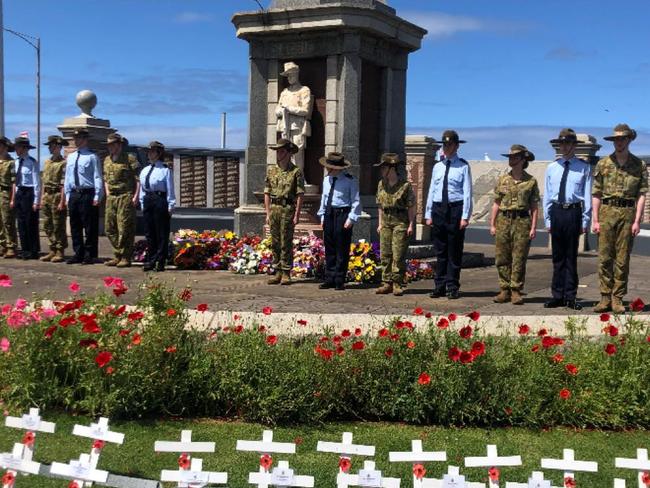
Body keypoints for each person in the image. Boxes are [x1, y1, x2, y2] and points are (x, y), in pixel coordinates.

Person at [592, 124, 648, 313]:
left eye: (623, 138)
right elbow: (596, 194)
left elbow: (641, 194)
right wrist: (595, 220)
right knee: (605, 258)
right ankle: (605, 297)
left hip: (627, 213)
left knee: (622, 259)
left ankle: (617, 298)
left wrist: (637, 220)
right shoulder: (604, 163)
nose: (619, 142)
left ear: (629, 140)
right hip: (607, 212)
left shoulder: (638, 165)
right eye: (616, 139)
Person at [543, 128, 592, 311]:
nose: (565, 147)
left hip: (573, 213)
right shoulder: (552, 168)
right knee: (557, 257)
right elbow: (547, 195)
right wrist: (547, 219)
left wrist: (585, 221)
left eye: (568, 143)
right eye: (562, 143)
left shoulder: (583, 167)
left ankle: (570, 296)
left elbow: (586, 195)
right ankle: (557, 295)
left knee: (571, 257)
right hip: (557, 212)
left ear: (574, 145)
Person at [425, 130, 473, 299]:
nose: (446, 147)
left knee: (454, 250)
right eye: (444, 144)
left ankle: (452, 286)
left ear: (457, 146)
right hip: (438, 209)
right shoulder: (438, 166)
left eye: (449, 144)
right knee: (440, 250)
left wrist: (465, 216)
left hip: (455, 209)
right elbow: (432, 190)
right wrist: (428, 213)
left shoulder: (463, 166)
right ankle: (439, 285)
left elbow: (467, 192)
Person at [489, 145, 540, 305]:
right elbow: (496, 203)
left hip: (522, 221)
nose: (511, 160)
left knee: (519, 257)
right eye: (510, 157)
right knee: (502, 256)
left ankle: (516, 290)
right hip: (504, 220)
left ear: (523, 159)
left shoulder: (531, 181)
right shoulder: (503, 179)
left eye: (515, 157)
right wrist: (492, 224)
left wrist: (533, 227)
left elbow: (534, 207)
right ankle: (504, 289)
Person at [316, 152, 361, 291]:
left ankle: (339, 279)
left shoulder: (349, 180)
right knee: (329, 246)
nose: (327, 169)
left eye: (329, 167)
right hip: (329, 213)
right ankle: (329, 277)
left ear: (337, 168)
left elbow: (356, 201)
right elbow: (324, 198)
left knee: (341, 247)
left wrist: (351, 218)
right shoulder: (326, 180)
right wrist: (322, 216)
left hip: (342, 214)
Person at [264, 138, 305, 285]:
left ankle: (286, 272)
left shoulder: (295, 172)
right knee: (275, 241)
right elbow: (267, 193)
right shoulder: (272, 170)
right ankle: (277, 271)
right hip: (274, 209)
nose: (278, 154)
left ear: (288, 153)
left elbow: (300, 194)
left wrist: (297, 215)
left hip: (287, 209)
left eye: (281, 151)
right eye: (277, 151)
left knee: (285, 241)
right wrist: (267, 213)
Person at [374, 153, 416, 296]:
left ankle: (397, 283)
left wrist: (411, 224)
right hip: (386, 221)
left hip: (400, 222)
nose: (381, 170)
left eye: (383, 167)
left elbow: (411, 206)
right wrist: (380, 223)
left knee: (398, 254)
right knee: (385, 253)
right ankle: (387, 283)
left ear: (391, 168)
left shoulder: (405, 185)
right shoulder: (381, 184)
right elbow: (380, 205)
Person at [64, 128, 103, 264]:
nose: (76, 140)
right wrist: (67, 195)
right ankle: (78, 253)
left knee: (89, 225)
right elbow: (68, 177)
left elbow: (97, 176)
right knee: (75, 225)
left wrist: (98, 195)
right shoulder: (71, 157)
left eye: (79, 138)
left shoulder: (92, 157)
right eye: (75, 138)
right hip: (74, 193)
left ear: (85, 140)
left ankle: (90, 254)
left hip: (87, 193)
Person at [103, 133, 140, 268]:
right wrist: (107, 192)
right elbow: (106, 178)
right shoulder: (107, 160)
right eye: (108, 145)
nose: (110, 147)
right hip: (111, 197)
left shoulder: (129, 159)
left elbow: (138, 179)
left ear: (119, 145)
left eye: (112, 145)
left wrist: (136, 196)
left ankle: (125, 256)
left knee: (124, 227)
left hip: (125, 196)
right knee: (109, 228)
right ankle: (117, 254)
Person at [139, 141, 175, 272]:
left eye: (152, 151)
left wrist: (171, 205)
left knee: (161, 232)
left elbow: (170, 189)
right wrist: (142, 202)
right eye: (148, 151)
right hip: (148, 200)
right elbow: (143, 189)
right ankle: (151, 259)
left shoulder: (165, 170)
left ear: (159, 153)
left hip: (160, 199)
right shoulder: (145, 170)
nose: (149, 154)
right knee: (150, 232)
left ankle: (160, 261)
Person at [40, 135, 68, 262]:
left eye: (52, 146)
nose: (50, 148)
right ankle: (52, 248)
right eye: (49, 146)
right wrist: (41, 197)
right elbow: (44, 182)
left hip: (57, 194)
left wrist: (62, 200)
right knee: (48, 224)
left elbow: (64, 183)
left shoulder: (63, 163)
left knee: (58, 224)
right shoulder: (47, 162)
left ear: (58, 147)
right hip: (47, 195)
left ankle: (59, 250)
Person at [12, 135, 41, 260]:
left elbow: (36, 183)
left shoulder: (32, 162)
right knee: (21, 223)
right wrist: (14, 198)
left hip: (29, 193)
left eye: (18, 147)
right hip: (20, 192)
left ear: (24, 148)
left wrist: (36, 200)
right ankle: (25, 249)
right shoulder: (16, 161)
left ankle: (33, 250)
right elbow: (15, 181)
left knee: (30, 223)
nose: (16, 150)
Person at [0, 137, 17, 259]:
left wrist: (12, 198)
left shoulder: (11, 163)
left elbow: (14, 182)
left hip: (6, 193)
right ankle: (3, 244)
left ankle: (11, 246)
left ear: (5, 147)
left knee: (8, 221)